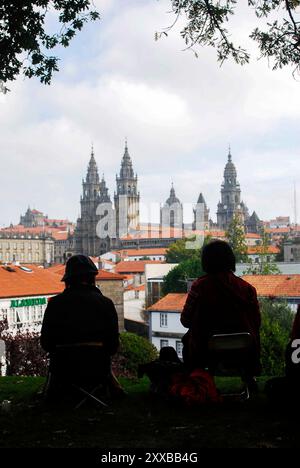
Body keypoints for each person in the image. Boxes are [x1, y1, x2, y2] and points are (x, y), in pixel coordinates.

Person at [41, 254, 122, 401]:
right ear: (93, 278)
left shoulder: (55, 304)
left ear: (67, 280)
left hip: (63, 370)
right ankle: (111, 386)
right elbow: (113, 346)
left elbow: (46, 344)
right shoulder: (106, 303)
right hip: (97, 369)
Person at [181, 240, 261, 384]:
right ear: (231, 260)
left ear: (206, 261)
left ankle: (196, 383)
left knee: (187, 341)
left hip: (205, 351)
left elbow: (185, 321)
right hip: (243, 350)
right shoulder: (247, 289)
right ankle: (249, 379)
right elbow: (257, 322)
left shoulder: (199, 287)